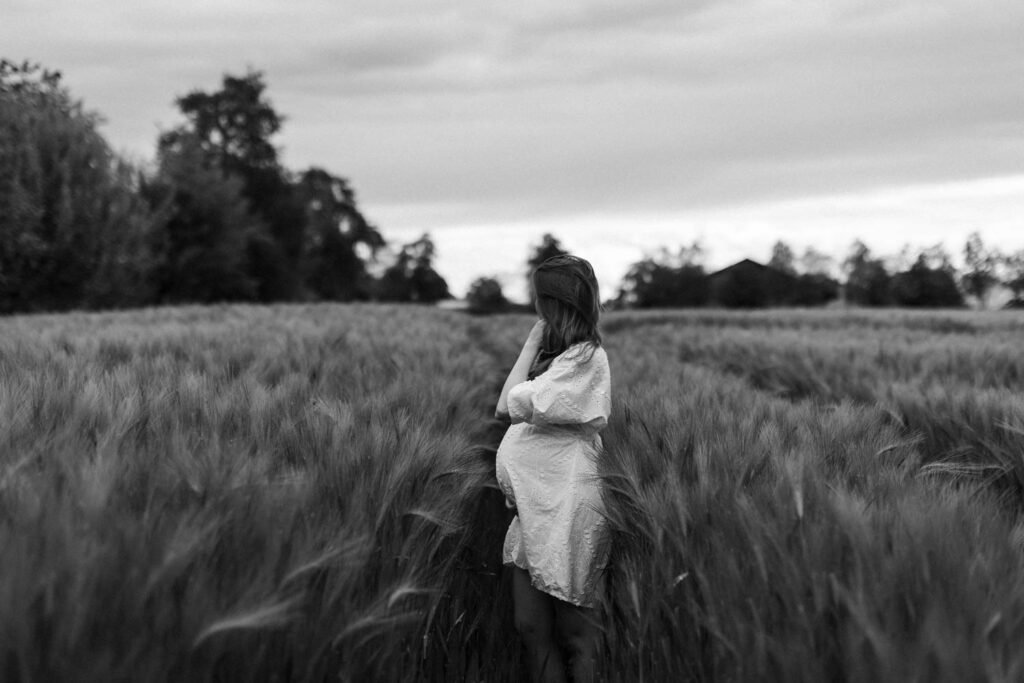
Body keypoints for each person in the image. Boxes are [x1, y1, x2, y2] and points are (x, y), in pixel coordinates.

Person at [494, 254, 611, 683]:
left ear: (552, 303)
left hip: (567, 506)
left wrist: (529, 345)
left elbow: (505, 405)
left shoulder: (587, 359)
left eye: (538, 300)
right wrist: (535, 348)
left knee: (576, 635)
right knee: (529, 626)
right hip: (532, 505)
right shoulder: (556, 359)